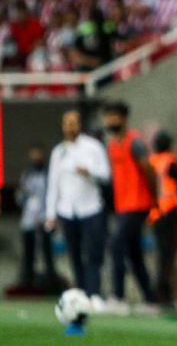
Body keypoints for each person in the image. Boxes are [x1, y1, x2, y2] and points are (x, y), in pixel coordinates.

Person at [44, 111, 110, 308]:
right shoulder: (58, 152)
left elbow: (106, 175)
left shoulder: (93, 147)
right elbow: (53, 184)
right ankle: (80, 295)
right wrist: (51, 214)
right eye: (67, 123)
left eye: (74, 123)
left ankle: (95, 293)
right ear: (63, 126)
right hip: (67, 210)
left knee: (93, 252)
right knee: (74, 254)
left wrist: (89, 173)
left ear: (80, 125)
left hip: (91, 207)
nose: (70, 127)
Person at [103, 101, 157, 310]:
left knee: (116, 245)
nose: (110, 121)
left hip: (138, 204)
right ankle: (151, 299)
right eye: (108, 116)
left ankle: (118, 297)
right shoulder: (113, 145)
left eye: (115, 116)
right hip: (123, 206)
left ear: (124, 119)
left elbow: (149, 170)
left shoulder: (135, 143)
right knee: (134, 253)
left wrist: (153, 199)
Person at [148, 131, 177, 307]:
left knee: (161, 255)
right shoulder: (170, 161)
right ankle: (164, 292)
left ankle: (160, 291)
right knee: (168, 255)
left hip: (155, 213)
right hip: (170, 212)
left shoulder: (152, 161)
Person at [16, 145, 57, 288]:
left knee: (47, 252)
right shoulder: (27, 174)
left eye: (38, 154)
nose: (36, 158)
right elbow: (20, 198)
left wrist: (48, 215)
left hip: (44, 218)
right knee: (28, 253)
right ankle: (27, 282)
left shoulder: (48, 174)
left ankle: (51, 282)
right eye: (33, 155)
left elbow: (52, 195)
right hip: (28, 220)